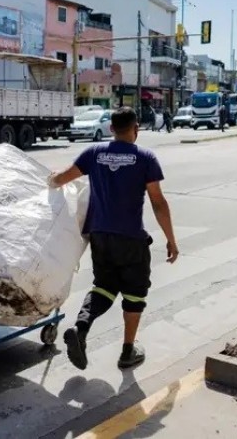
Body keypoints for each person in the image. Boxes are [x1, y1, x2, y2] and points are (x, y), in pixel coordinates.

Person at [48, 107, 179, 370]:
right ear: (136, 129)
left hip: (100, 236)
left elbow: (61, 179)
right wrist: (171, 240)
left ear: (111, 129)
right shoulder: (145, 157)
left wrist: (51, 179)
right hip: (131, 239)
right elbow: (158, 202)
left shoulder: (93, 153)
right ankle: (128, 351)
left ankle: (81, 328)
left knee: (103, 287)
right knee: (134, 294)